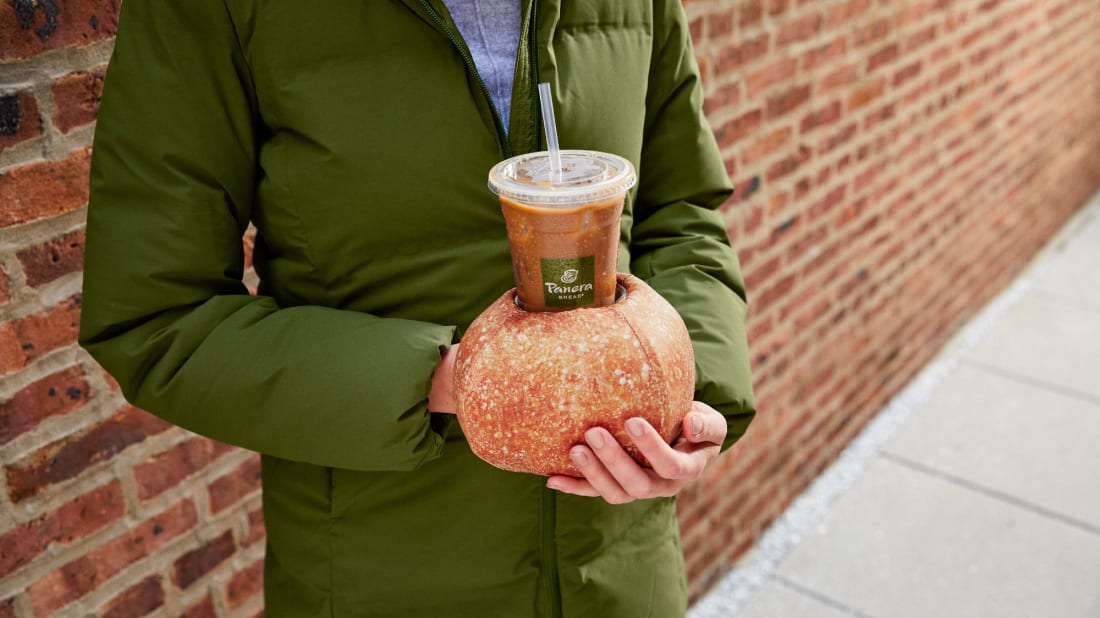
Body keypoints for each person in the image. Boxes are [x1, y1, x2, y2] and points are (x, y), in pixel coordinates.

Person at [79, 0, 755, 615]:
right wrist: (446, 382)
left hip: (620, 569)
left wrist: (691, 406)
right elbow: (157, 316)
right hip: (382, 566)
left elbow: (680, 212)